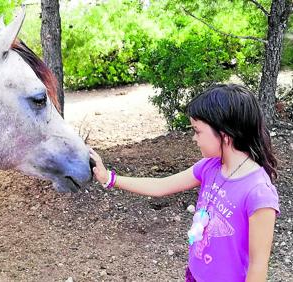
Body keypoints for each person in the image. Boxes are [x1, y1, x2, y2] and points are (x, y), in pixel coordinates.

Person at [89, 84, 279, 282]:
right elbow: (160, 186)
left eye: (197, 131)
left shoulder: (259, 193)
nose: (193, 138)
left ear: (225, 135)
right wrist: (109, 178)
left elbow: (258, 266)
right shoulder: (209, 167)